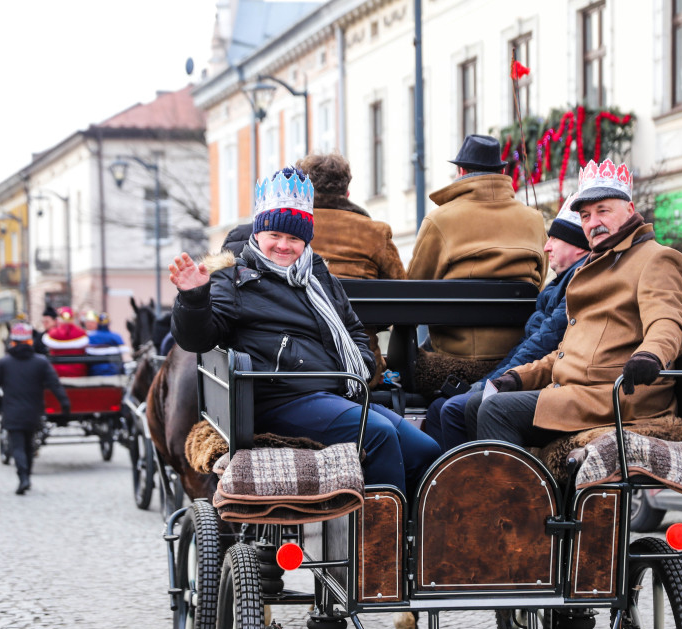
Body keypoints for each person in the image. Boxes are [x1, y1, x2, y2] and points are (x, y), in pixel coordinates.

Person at [168, 166, 440, 497]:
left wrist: (363, 367)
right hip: (278, 399)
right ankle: (378, 541)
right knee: (380, 434)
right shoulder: (233, 280)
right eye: (275, 236)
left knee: (426, 450)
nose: (284, 246)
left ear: (305, 239)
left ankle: (412, 537)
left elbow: (351, 328)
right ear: (258, 234)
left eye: (294, 238)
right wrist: (194, 298)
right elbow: (198, 338)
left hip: (338, 393)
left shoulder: (317, 275)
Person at [472, 158, 682, 447]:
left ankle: (514, 493)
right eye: (586, 216)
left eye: (603, 211)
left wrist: (650, 355)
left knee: (495, 410)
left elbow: (667, 322)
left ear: (629, 210)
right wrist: (519, 376)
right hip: (577, 394)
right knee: (477, 403)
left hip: (619, 398)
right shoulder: (595, 265)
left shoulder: (656, 258)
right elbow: (568, 353)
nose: (594, 223)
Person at [423, 194, 591, 451]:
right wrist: (490, 380)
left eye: (555, 239)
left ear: (579, 247)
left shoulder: (574, 283)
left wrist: (490, 383)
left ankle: (465, 486)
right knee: (441, 407)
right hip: (532, 374)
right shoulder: (559, 283)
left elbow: (541, 346)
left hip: (551, 383)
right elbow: (529, 345)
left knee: (457, 408)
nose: (546, 247)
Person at [406, 133, 547, 382]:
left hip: (456, 359)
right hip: (517, 355)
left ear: (461, 171)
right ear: (500, 171)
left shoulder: (440, 220)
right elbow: (541, 282)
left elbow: (413, 293)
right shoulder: (534, 219)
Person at [296, 152, 407, 383]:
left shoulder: (290, 231)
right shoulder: (376, 232)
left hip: (299, 367)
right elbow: (403, 298)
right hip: (362, 370)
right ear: (347, 193)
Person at [0, 322, 70, 495]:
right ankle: (27, 477)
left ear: (13, 342)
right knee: (29, 445)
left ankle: (23, 477)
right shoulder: (40, 362)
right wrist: (64, 403)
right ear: (30, 342)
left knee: (17, 446)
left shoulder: (4, 363)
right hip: (34, 411)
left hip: (11, 411)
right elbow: (54, 385)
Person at [42, 306, 89, 377]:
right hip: (78, 373)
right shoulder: (81, 333)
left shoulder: (52, 334)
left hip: (57, 373)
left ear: (59, 319)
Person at [86, 311, 125, 376]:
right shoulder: (116, 337)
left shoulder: (90, 337)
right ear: (109, 323)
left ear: (98, 323)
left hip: (94, 373)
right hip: (114, 372)